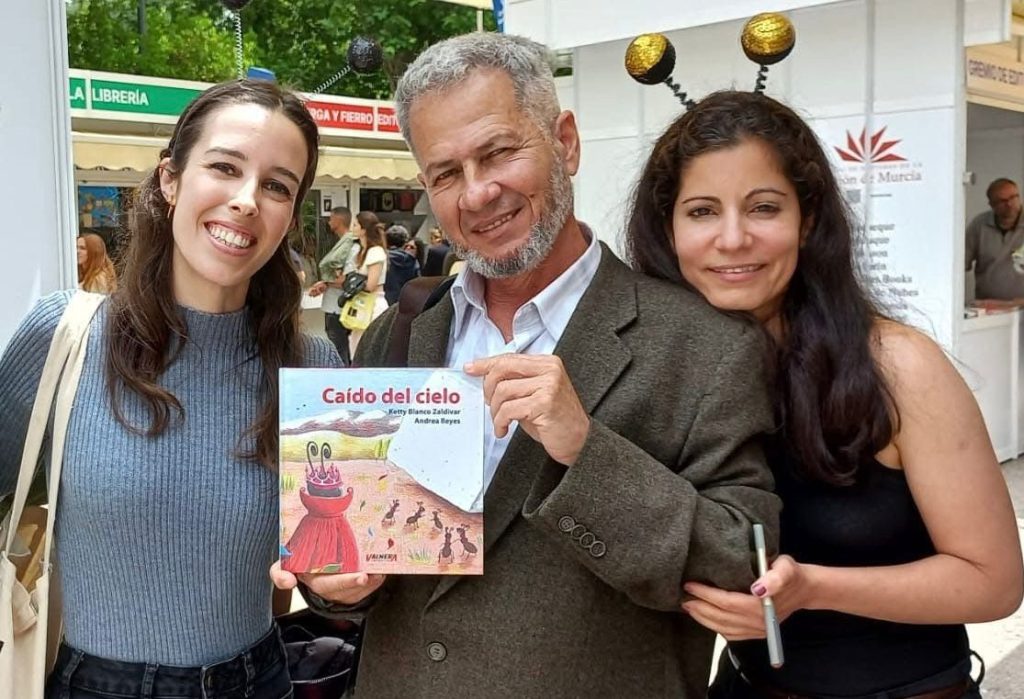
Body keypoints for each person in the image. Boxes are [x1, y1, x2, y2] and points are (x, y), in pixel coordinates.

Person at [271, 32, 780, 698]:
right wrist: (335, 580)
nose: (478, 193)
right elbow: (372, 572)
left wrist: (586, 449)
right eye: (446, 173)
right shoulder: (397, 338)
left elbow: (744, 564)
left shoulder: (703, 345)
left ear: (564, 141)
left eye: (499, 152)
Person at [624, 90, 1024, 699]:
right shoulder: (668, 373)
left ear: (807, 220)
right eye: (702, 211)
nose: (732, 239)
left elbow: (993, 581)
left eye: (762, 207)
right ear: (668, 230)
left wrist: (812, 589)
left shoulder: (895, 365)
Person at [0, 79, 341, 699]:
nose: (245, 201)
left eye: (276, 185)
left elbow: (331, 569)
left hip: (259, 680)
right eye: (224, 167)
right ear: (170, 179)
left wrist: (343, 584)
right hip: (90, 684)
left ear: (291, 213)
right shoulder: (64, 336)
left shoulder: (312, 365)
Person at [308, 206, 357, 364]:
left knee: (338, 347)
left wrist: (326, 282)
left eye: (331, 218)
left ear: (339, 220)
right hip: (333, 304)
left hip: (338, 306)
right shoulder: (342, 243)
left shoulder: (349, 245)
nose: (329, 222)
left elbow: (346, 279)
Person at [966, 178, 1024, 302]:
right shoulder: (979, 225)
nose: (1009, 204)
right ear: (992, 205)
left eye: (1013, 197)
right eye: (1002, 201)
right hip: (989, 308)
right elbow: (960, 264)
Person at [346, 211, 388, 356]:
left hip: (373, 304)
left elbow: (371, 285)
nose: (353, 228)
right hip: (361, 305)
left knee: (367, 348)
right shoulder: (361, 250)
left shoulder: (375, 252)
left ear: (364, 229)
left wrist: (353, 285)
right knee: (356, 346)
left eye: (356, 224)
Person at [383, 223, 421, 305]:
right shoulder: (413, 261)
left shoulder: (383, 259)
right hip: (405, 302)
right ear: (405, 242)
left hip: (386, 301)